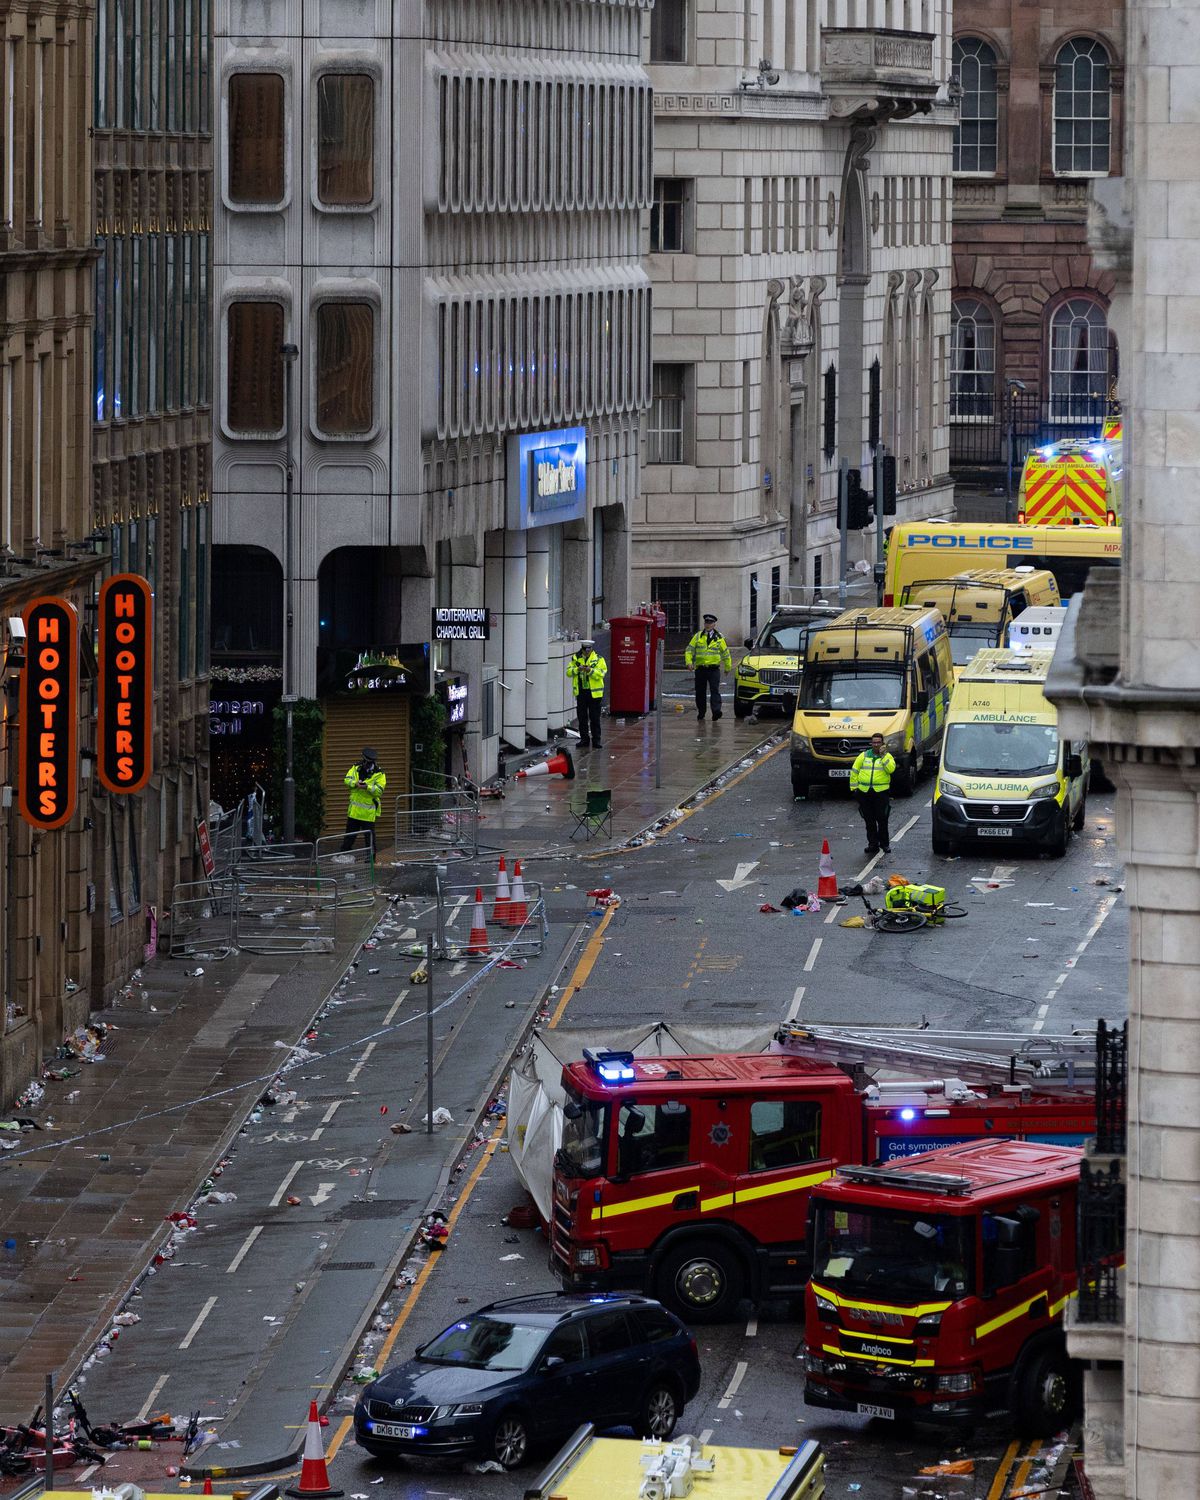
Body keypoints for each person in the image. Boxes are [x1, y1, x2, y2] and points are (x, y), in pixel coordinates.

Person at [850, 733, 896, 855]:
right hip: (864, 793)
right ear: (871, 743)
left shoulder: (887, 757)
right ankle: (873, 845)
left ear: (882, 744)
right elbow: (854, 771)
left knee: (882, 819)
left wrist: (883, 756)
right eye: (874, 742)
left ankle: (885, 844)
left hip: (881, 793)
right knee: (869, 821)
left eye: (878, 742)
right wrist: (854, 789)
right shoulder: (864, 756)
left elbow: (891, 769)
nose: (876, 744)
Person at [686, 613, 733, 721]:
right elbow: (689, 650)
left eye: (710, 623)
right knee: (700, 692)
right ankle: (701, 712)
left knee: (714, 690)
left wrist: (727, 667)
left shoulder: (719, 637)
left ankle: (716, 711)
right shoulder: (698, 636)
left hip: (713, 669)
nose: (707, 625)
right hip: (701, 668)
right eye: (706, 622)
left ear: (714, 624)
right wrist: (689, 662)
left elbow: (725, 653)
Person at [342, 746, 386, 855]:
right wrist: (355, 784)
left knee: (369, 838)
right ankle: (343, 855)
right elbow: (347, 779)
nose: (366, 764)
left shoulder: (379, 773)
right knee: (349, 836)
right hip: (354, 811)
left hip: (368, 812)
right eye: (365, 761)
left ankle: (371, 858)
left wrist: (367, 787)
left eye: (369, 762)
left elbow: (379, 790)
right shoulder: (356, 767)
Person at [567, 638, 607, 749]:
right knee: (582, 718)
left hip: (594, 694)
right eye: (585, 650)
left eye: (589, 650)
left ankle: (596, 740)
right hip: (581, 693)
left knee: (595, 718)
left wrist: (590, 671)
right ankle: (584, 739)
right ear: (582, 649)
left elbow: (602, 673)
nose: (587, 652)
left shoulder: (598, 659)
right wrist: (578, 669)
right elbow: (569, 672)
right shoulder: (576, 659)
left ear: (591, 649)